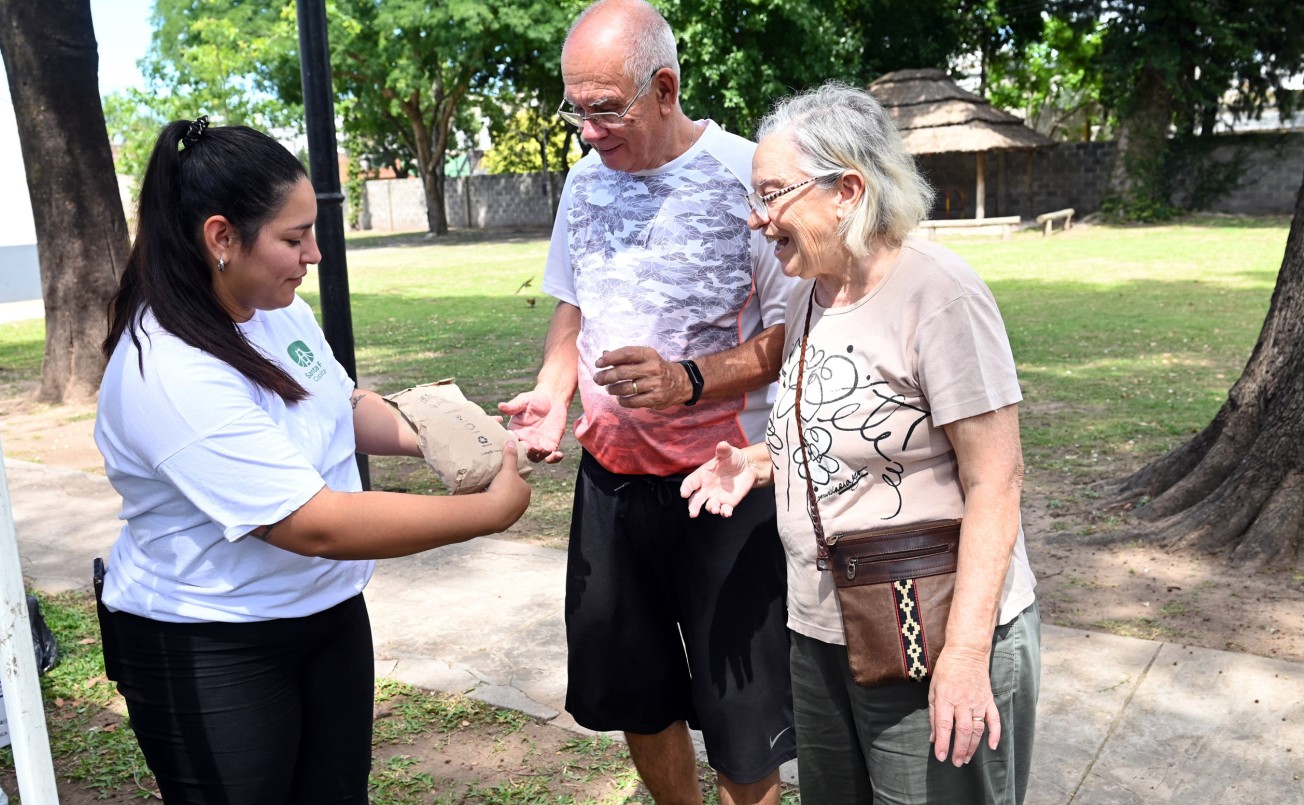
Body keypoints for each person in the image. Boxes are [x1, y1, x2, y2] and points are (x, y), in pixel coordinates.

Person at [93, 117, 531, 804]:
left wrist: (467, 440)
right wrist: (485, 511)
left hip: (326, 615)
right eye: (294, 238)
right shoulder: (167, 370)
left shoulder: (275, 308)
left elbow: (339, 404)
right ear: (220, 238)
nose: (316, 254)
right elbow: (313, 523)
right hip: (212, 641)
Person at [681, 81, 1041, 804]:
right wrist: (759, 461)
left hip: (934, 630)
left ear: (848, 189)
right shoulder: (810, 290)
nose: (758, 219)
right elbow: (852, 434)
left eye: (773, 194)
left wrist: (967, 656)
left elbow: (996, 483)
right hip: (823, 627)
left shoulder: (939, 294)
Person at [497, 2, 799, 802]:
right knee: (637, 693)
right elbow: (573, 305)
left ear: (664, 88)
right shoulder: (583, 184)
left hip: (723, 485)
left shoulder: (747, 177)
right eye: (576, 109)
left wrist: (689, 379)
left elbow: (789, 338)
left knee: (741, 717)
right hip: (610, 480)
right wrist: (554, 393)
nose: (589, 131)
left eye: (605, 109)